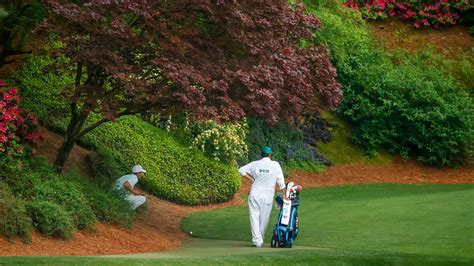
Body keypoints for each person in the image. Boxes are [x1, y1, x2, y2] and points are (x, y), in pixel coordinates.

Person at [238, 146, 286, 248]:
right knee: (264, 218)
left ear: (262, 154)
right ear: (270, 155)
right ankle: (259, 240)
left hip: (255, 193)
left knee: (254, 217)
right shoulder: (275, 165)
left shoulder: (255, 164)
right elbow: (281, 183)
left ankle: (257, 240)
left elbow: (241, 170)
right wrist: (285, 195)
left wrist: (251, 179)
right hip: (267, 195)